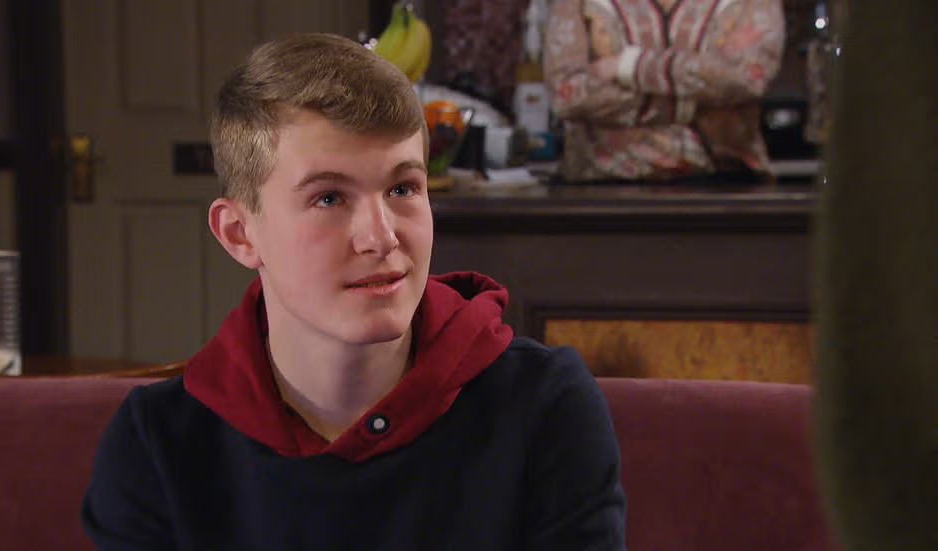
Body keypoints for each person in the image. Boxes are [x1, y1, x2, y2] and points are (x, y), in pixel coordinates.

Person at [81, 33, 626, 549]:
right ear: (240, 234)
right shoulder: (158, 442)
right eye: (329, 199)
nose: (382, 236)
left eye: (402, 188)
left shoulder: (543, 405)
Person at [544, 0, 785, 182]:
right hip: (598, 194)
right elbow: (567, 95)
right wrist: (697, 99)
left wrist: (629, 66)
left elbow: (747, 77)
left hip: (728, 190)